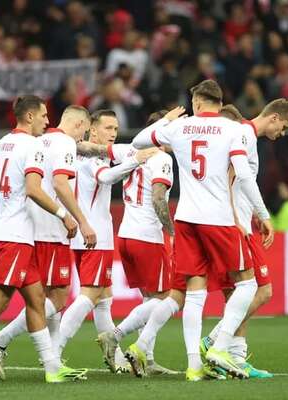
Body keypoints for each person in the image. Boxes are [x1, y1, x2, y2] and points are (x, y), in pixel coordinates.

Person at [127, 80, 273, 381]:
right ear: (219, 103)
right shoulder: (233, 130)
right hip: (218, 218)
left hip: (186, 218)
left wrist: (167, 120)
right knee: (247, 285)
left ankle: (194, 365)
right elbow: (244, 175)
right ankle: (219, 348)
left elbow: (140, 141)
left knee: (194, 293)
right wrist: (263, 213)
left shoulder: (180, 128)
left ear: (197, 102)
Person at [0, 96, 87, 385]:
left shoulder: (0, 145)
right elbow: (34, 189)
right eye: (45, 116)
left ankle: (52, 367)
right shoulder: (32, 146)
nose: (48, 121)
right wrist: (64, 215)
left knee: (37, 300)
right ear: (31, 116)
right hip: (17, 237)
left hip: (11, 234)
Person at [0, 105, 97, 380]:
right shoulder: (66, 143)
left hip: (30, 228)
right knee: (55, 299)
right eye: (86, 130)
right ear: (80, 124)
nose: (84, 136)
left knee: (44, 297)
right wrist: (79, 220)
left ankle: (53, 362)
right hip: (50, 230)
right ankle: (1, 340)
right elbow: (60, 184)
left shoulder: (39, 140)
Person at [52, 110, 157, 366]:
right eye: (107, 128)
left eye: (115, 128)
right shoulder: (95, 158)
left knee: (103, 299)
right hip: (94, 235)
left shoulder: (78, 154)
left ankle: (116, 357)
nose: (112, 133)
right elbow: (106, 177)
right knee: (90, 294)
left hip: (83, 233)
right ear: (93, 130)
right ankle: (53, 352)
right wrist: (135, 161)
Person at [202, 100, 288, 379]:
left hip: (240, 223)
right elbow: (236, 177)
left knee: (237, 294)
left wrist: (250, 212)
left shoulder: (244, 135)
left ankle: (237, 357)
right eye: (284, 127)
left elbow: (237, 182)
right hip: (237, 227)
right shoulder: (243, 134)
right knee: (261, 291)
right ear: (275, 118)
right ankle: (214, 340)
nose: (282, 133)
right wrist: (245, 216)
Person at [96, 108, 185, 376]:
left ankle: (146, 358)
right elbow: (159, 198)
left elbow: (97, 150)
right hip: (147, 237)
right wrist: (170, 230)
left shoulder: (130, 152)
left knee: (150, 299)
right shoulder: (162, 159)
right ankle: (116, 334)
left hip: (125, 235)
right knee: (166, 298)